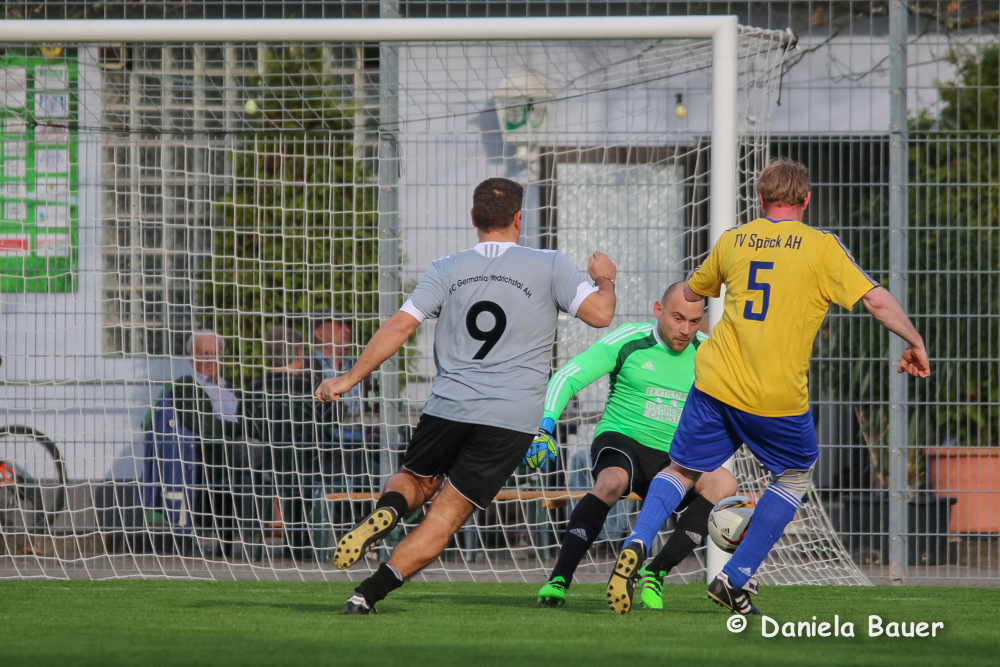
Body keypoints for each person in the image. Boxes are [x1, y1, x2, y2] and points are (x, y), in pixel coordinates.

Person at [609, 158, 931, 615]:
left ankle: (638, 542)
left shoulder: (734, 240)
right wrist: (914, 341)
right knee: (795, 476)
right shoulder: (821, 246)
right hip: (775, 395)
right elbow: (876, 300)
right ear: (806, 200)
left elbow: (695, 292)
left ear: (760, 199)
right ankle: (735, 578)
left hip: (715, 382)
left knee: (680, 469)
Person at [316, 177, 618, 615]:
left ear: (473, 217)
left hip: (450, 404)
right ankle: (366, 594)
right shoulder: (549, 264)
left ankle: (390, 510)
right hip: (510, 418)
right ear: (519, 218)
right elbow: (601, 314)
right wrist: (605, 278)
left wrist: (348, 378)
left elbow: (400, 326)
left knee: (414, 478)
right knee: (445, 517)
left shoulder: (447, 268)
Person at [532, 283, 739, 612]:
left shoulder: (709, 353)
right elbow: (567, 377)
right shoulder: (629, 340)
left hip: (676, 455)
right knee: (612, 481)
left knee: (724, 484)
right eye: (677, 318)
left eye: (694, 321)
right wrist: (545, 426)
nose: (685, 330)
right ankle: (559, 578)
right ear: (658, 310)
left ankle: (655, 572)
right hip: (623, 439)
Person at [246, 325, 331, 562]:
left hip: (268, 465)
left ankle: (280, 545)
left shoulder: (255, 387)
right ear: (299, 351)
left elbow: (249, 427)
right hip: (311, 463)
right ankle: (311, 543)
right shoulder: (313, 386)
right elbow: (331, 422)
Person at [172, 330, 251, 558]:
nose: (209, 360)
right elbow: (204, 426)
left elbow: (253, 422)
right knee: (250, 450)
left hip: (239, 454)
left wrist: (238, 428)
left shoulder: (233, 388)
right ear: (191, 359)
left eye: (214, 353)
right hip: (208, 456)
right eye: (203, 354)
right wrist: (238, 429)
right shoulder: (186, 385)